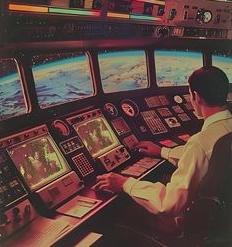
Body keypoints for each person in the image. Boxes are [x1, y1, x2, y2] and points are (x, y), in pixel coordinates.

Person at [93, 66, 232, 234]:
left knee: (119, 213)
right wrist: (162, 152)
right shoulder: (221, 131)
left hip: (194, 226)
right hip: (223, 217)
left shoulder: (199, 143)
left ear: (196, 96)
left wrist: (125, 184)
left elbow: (169, 204)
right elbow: (206, 156)